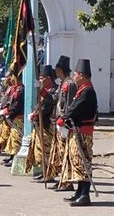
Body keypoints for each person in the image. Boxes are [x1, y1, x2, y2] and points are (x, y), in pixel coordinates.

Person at [58, 59, 98, 207]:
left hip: (83, 131)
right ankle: (79, 192)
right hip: (77, 130)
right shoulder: (82, 90)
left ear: (81, 75)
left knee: (82, 161)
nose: (73, 76)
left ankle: (85, 194)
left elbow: (75, 109)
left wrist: (63, 119)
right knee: (77, 161)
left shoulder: (87, 91)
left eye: (75, 74)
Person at [47, 55, 77, 191]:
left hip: (64, 124)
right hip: (58, 123)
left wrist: (64, 120)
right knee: (59, 153)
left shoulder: (70, 84)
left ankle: (67, 181)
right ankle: (62, 179)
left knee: (66, 153)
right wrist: (42, 90)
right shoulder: (62, 84)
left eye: (57, 70)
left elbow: (69, 105)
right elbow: (53, 99)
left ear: (60, 70)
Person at [25, 65, 57, 179]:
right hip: (39, 124)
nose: (40, 80)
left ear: (49, 78)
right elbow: (39, 105)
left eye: (42, 78)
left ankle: (49, 173)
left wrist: (37, 114)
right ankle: (44, 171)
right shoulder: (44, 91)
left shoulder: (53, 90)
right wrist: (34, 113)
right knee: (40, 151)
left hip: (47, 124)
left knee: (47, 150)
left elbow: (49, 105)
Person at [0, 70, 24, 167]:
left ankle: (15, 158)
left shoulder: (21, 90)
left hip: (18, 117)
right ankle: (12, 156)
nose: (10, 79)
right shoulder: (15, 89)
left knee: (16, 140)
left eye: (12, 76)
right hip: (12, 117)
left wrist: (6, 111)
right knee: (12, 139)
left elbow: (16, 106)